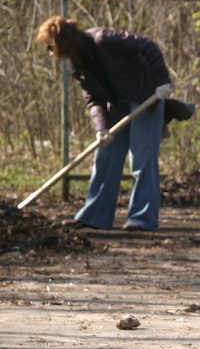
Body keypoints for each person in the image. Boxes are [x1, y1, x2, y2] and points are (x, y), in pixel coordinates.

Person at [36, 16, 172, 232]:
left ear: (64, 41)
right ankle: (95, 216)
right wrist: (101, 129)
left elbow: (147, 45)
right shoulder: (75, 63)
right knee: (105, 156)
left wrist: (162, 82)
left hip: (145, 95)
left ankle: (142, 218)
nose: (51, 53)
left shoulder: (104, 40)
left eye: (51, 47)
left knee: (142, 158)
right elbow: (93, 98)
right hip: (117, 104)